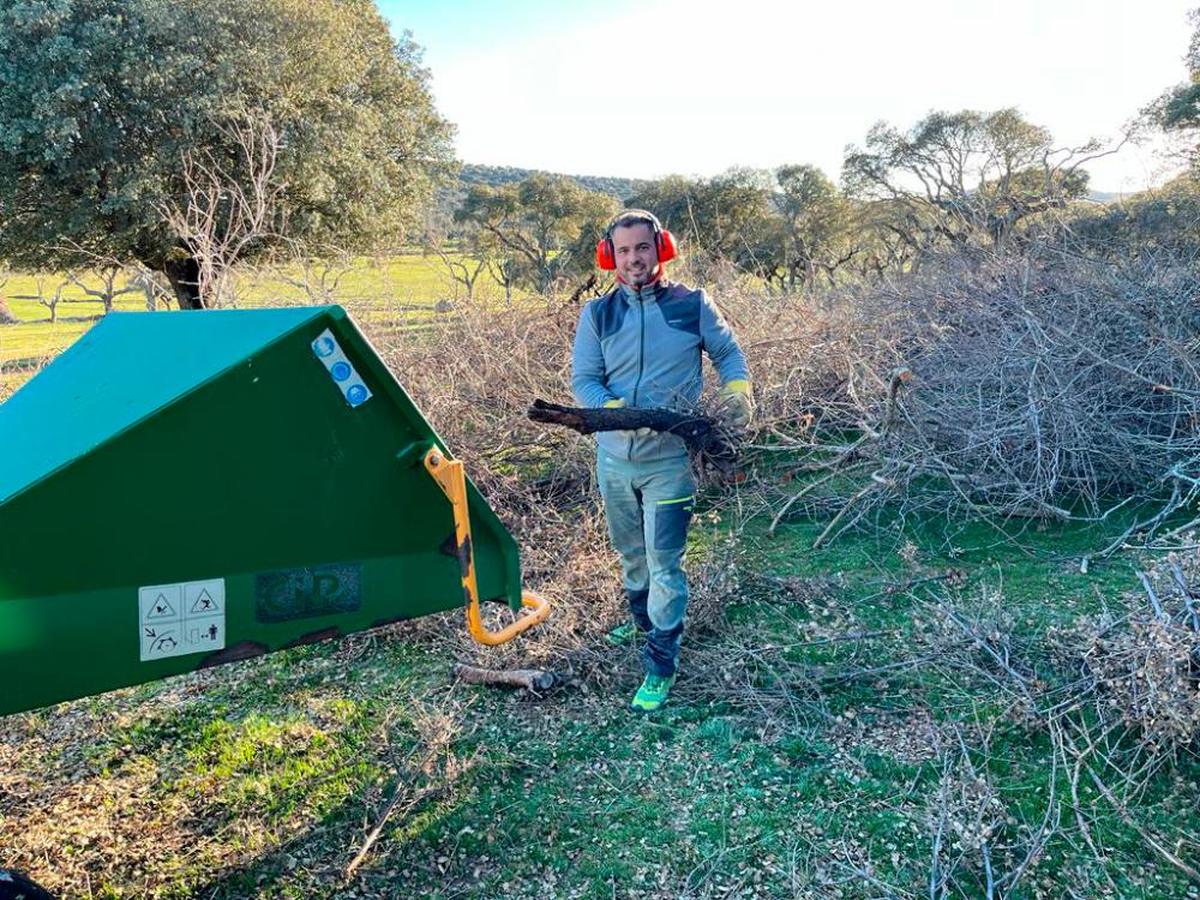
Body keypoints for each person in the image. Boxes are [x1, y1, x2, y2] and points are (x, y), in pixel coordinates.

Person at [571, 209, 752, 712]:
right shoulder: (597, 315)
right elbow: (585, 381)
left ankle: (660, 665)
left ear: (661, 249)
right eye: (624, 250)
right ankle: (643, 622)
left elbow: (729, 355)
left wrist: (737, 392)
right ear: (610, 256)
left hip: (671, 462)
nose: (634, 259)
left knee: (664, 564)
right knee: (631, 557)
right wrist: (618, 415)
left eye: (642, 248)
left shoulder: (692, 305)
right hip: (613, 461)